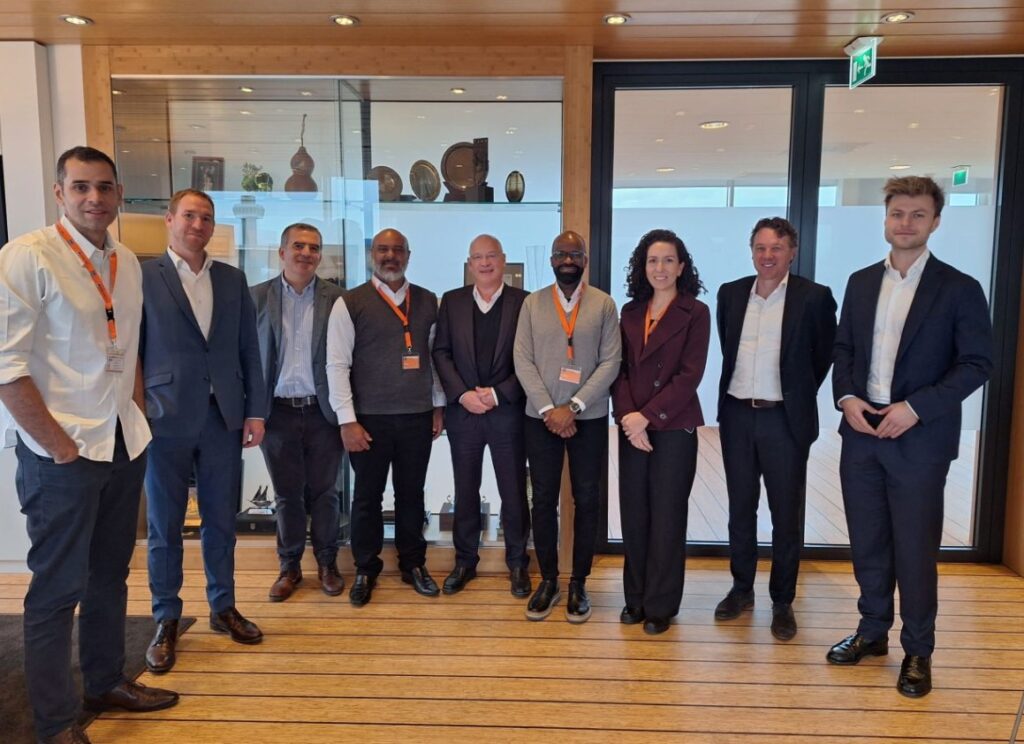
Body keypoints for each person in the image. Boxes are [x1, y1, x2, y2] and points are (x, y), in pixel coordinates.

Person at [0, 146, 178, 744]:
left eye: (104, 187)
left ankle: (105, 682)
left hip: (122, 442)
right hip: (63, 454)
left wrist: (137, 415)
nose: (94, 198)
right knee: (56, 590)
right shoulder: (27, 257)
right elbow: (6, 369)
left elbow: (125, 347)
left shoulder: (126, 260)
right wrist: (58, 445)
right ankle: (54, 723)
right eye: (80, 187)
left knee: (110, 575)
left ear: (119, 193)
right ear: (60, 193)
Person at [828, 176, 993, 697]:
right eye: (898, 213)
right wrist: (847, 398)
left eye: (918, 214)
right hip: (862, 433)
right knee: (867, 541)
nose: (906, 223)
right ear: (885, 219)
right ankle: (872, 631)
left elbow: (976, 363)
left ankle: (918, 650)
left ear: (935, 222)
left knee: (916, 550)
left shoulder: (960, 288)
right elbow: (843, 350)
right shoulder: (860, 282)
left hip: (919, 441)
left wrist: (916, 409)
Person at [141, 188, 267, 675]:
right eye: (190, 216)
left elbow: (249, 350)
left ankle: (223, 606)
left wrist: (255, 412)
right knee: (164, 525)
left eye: (207, 218)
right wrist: (137, 409)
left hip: (222, 416)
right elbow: (132, 347)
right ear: (170, 219)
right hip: (164, 415)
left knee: (221, 521)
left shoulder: (232, 279)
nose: (198, 225)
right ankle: (166, 617)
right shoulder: (142, 275)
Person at [714, 217, 837, 640]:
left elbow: (822, 356)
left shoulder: (814, 297)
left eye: (777, 248)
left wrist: (795, 395)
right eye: (761, 248)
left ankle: (782, 600)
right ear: (751, 251)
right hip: (737, 415)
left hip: (784, 419)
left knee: (786, 513)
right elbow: (727, 346)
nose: (767, 256)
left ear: (792, 253)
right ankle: (741, 589)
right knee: (740, 507)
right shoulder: (731, 294)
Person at [326, 228, 446, 606]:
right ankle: (366, 568)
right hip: (368, 420)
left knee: (412, 494)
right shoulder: (350, 303)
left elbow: (435, 360)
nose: (390, 256)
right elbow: (336, 365)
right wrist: (347, 420)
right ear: (371, 255)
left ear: (408, 256)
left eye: (397, 250)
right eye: (383, 249)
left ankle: (413, 564)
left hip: (416, 416)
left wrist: (438, 406)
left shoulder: (428, 301)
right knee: (367, 497)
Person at [513, 230, 621, 623]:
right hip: (540, 418)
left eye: (575, 254)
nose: (568, 260)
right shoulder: (532, 303)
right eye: (561, 254)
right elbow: (522, 359)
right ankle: (548, 580)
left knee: (587, 499)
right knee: (542, 499)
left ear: (585, 260)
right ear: (551, 260)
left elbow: (611, 362)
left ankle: (579, 582)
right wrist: (549, 409)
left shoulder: (604, 304)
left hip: (587, 418)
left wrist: (573, 407)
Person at [612, 229, 710, 635]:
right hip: (632, 427)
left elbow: (690, 375)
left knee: (668, 517)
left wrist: (646, 417)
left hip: (673, 427)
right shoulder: (630, 312)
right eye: (653, 260)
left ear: (682, 266)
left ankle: (660, 606)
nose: (661, 268)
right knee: (634, 515)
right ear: (643, 266)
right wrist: (627, 417)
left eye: (669, 260)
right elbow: (619, 370)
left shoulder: (696, 313)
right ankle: (634, 598)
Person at [251, 223, 346, 602]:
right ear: (282, 252)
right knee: (287, 494)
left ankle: (327, 564)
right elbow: (245, 358)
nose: (306, 253)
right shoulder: (256, 297)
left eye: (314, 247)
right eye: (298, 246)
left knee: (326, 493)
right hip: (277, 413)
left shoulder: (338, 299)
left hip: (323, 412)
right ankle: (289, 567)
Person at [432, 234, 531, 597]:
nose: (485, 263)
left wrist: (496, 394)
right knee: (465, 488)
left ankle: (518, 563)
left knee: (513, 490)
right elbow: (441, 352)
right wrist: (462, 395)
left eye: (491, 256)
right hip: (464, 414)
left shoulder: (525, 302)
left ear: (503, 260)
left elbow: (531, 359)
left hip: (507, 412)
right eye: (478, 257)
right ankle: (464, 561)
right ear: (469, 263)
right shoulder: (452, 301)